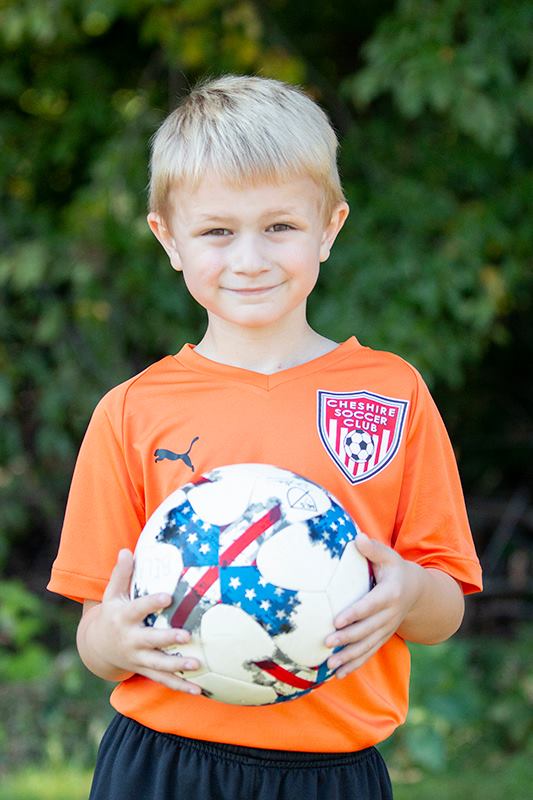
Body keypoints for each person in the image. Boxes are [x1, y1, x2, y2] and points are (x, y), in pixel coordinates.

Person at [48, 74, 482, 800]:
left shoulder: (390, 394)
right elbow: (96, 637)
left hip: (331, 772)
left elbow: (445, 608)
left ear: (329, 229)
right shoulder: (131, 411)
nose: (249, 258)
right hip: (163, 765)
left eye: (279, 226)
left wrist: (407, 593)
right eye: (217, 231)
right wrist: (116, 640)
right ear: (169, 239)